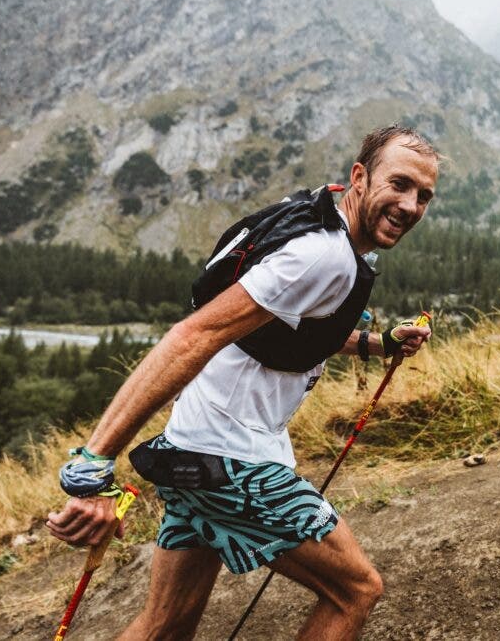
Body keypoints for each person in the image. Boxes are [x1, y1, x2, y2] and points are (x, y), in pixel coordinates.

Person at [46, 124, 439, 640]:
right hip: (234, 461)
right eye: (400, 184)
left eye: (424, 195)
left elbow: (294, 327)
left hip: (190, 450)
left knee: (165, 626)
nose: (410, 205)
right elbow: (193, 335)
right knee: (356, 591)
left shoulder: (313, 214)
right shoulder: (323, 256)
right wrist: (92, 465)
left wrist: (379, 342)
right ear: (360, 177)